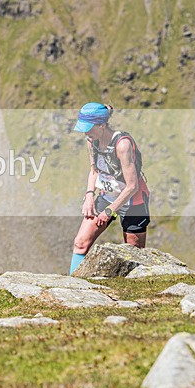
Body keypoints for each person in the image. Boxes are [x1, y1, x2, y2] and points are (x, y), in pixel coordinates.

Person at [69, 103, 150, 275]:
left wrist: (109, 211)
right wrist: (89, 195)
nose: (85, 133)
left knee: (133, 254)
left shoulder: (122, 145)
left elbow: (132, 186)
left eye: (89, 128)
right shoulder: (92, 141)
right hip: (106, 196)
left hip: (132, 202)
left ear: (102, 125)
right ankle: (72, 285)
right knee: (80, 242)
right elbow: (94, 170)